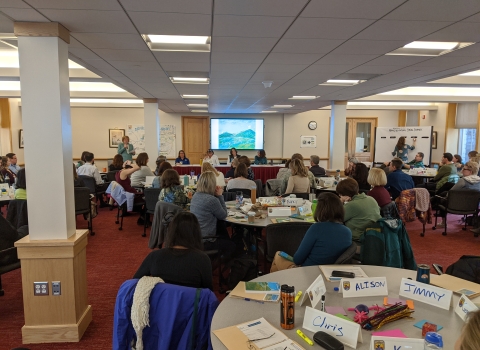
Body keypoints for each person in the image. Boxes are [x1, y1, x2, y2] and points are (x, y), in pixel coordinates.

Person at [270, 192, 352, 271]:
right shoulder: (347, 232)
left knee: (278, 255)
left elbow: (297, 260)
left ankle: (275, 283)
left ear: (319, 209)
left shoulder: (316, 228)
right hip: (329, 273)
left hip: (307, 272)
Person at [133, 212, 213, 290]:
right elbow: (208, 292)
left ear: (172, 231)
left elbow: (134, 282)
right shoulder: (202, 259)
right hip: (190, 303)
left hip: (160, 302)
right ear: (196, 233)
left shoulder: (155, 256)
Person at [190, 171, 236, 258]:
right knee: (232, 246)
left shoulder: (195, 195)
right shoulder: (211, 200)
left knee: (222, 228)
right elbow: (223, 215)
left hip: (195, 237)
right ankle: (219, 263)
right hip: (207, 240)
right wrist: (219, 195)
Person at [336, 178, 381, 246]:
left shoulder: (352, 205)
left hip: (357, 239)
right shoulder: (371, 199)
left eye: (340, 194)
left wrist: (340, 203)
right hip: (374, 236)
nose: (340, 196)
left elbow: (335, 218)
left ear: (346, 195)